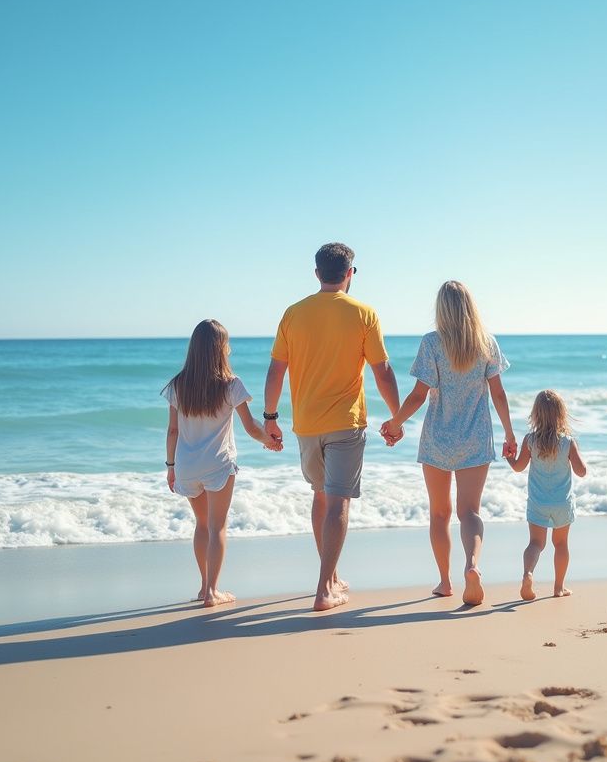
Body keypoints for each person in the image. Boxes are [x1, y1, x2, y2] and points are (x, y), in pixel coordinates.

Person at [263, 243, 401, 612]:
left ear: (317, 272)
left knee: (321, 495)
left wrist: (270, 418)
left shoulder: (294, 313)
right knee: (338, 500)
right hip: (345, 422)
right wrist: (396, 417)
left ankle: (332, 576)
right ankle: (324, 590)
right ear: (350, 273)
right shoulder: (364, 313)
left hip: (306, 424)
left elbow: (276, 370)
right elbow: (382, 371)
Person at [380, 281, 515, 606]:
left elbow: (418, 394)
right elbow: (498, 393)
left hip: (438, 439)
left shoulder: (432, 343)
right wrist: (511, 434)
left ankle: (444, 581)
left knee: (440, 513)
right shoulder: (487, 343)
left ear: (441, 309)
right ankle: (472, 566)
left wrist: (394, 424)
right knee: (470, 511)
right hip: (475, 438)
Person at [162, 319, 281, 607]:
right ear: (221, 348)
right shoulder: (231, 384)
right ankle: (213, 591)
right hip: (218, 465)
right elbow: (251, 427)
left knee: (201, 525)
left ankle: (204, 588)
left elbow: (173, 430)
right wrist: (270, 441)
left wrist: (170, 467)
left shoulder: (178, 384)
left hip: (187, 466)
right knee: (217, 527)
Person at [503, 389, 587, 600]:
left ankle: (528, 573)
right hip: (562, 504)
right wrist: (575, 455)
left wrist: (508, 457)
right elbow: (582, 471)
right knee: (561, 544)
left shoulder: (530, 441)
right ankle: (558, 588)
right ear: (561, 415)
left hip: (538, 503)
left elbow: (518, 467)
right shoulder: (568, 442)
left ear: (536, 415)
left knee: (535, 544)